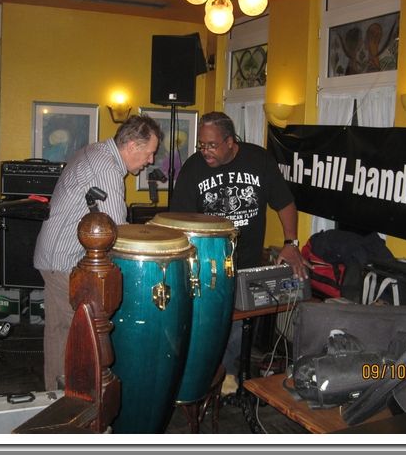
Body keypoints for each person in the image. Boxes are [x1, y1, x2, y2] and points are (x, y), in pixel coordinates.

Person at [169, 111, 308, 393]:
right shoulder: (193, 168)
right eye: (201, 145)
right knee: (210, 322)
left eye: (211, 145)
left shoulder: (259, 160)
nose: (205, 151)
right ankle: (203, 372)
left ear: (230, 142)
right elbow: (179, 220)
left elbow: (285, 203)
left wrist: (291, 244)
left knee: (239, 322)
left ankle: (228, 373)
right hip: (208, 263)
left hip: (245, 260)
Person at [34, 114, 162, 391]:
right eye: (149, 153)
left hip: (55, 256)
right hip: (65, 261)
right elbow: (115, 230)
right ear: (132, 146)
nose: (151, 160)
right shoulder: (106, 167)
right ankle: (77, 401)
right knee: (82, 338)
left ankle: (58, 398)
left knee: (60, 333)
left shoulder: (97, 151)